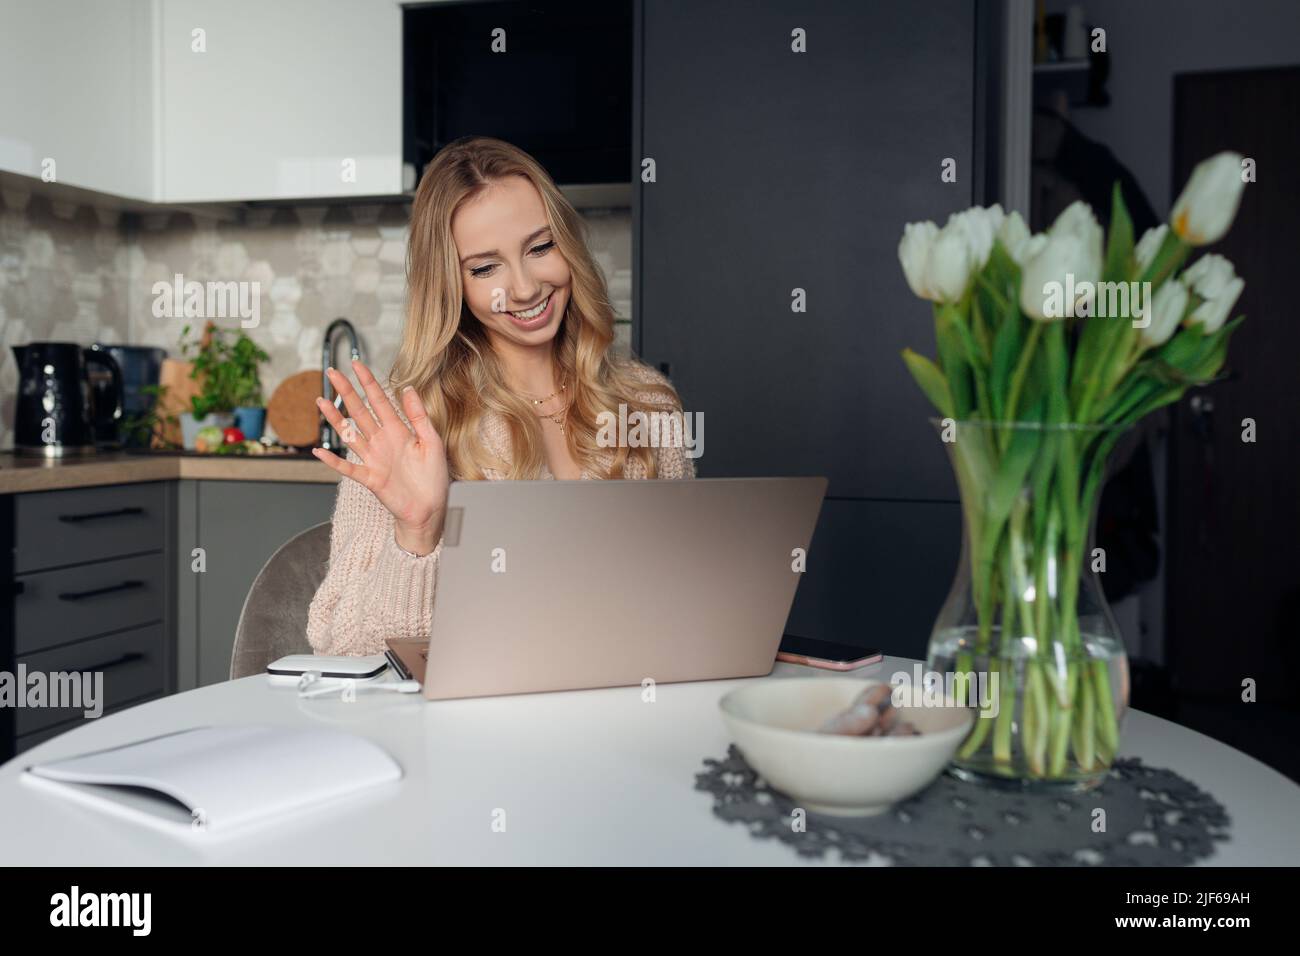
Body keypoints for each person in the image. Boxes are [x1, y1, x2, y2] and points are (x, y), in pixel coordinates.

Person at [306, 136, 694, 656]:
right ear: (452, 285)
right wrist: (417, 533)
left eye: (540, 248)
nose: (525, 288)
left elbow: (687, 605)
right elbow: (344, 647)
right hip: (465, 729)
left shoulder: (648, 405)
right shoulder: (404, 425)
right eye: (485, 268)